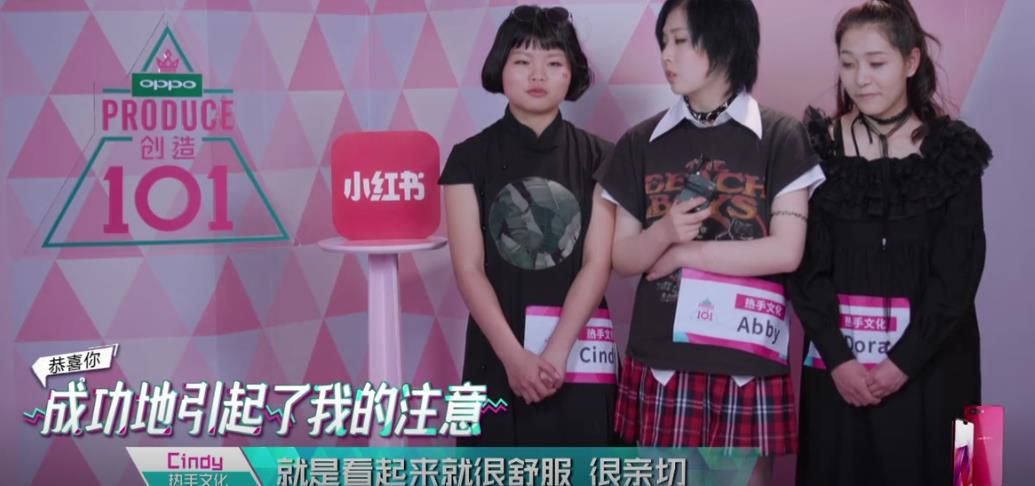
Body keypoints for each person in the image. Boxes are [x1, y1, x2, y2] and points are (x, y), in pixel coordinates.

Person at [594, 0, 823, 483]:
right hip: (662, 362)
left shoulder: (781, 137)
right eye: (663, 41)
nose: (666, 55)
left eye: (680, 40)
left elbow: (786, 251)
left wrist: (685, 253)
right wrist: (664, 232)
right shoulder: (640, 143)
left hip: (745, 362)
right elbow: (623, 257)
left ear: (726, 42)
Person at [789, 0, 992, 484]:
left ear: (911, 60)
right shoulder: (813, 148)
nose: (861, 79)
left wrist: (903, 362)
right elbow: (802, 266)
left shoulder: (956, 149)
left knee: (964, 472)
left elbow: (960, 271)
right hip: (840, 372)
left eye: (876, 63)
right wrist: (839, 358)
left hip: (940, 364)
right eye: (848, 64)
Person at [438, 4, 618, 445]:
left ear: (571, 73)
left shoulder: (602, 157)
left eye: (553, 63)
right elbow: (468, 268)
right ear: (500, 68)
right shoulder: (467, 158)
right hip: (496, 349)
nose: (538, 75)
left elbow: (597, 263)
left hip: (579, 348)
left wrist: (557, 351)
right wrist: (513, 357)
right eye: (522, 61)